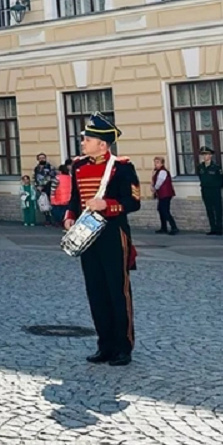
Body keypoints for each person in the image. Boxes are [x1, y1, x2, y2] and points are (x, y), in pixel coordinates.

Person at [64, 114, 141, 367]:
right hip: (87, 235)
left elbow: (133, 202)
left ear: (103, 144)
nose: (83, 142)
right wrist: (69, 217)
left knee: (117, 291)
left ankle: (123, 346)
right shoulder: (78, 166)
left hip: (112, 233)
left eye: (87, 139)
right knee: (95, 290)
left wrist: (106, 204)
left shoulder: (122, 167)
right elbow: (75, 198)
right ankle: (104, 344)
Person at [197, 147, 223, 235]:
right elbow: (200, 177)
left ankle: (219, 229)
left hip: (215, 190)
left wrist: (216, 186)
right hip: (205, 190)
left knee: (218, 210)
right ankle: (213, 228)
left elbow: (221, 179)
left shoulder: (216, 167)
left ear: (210, 155)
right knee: (209, 210)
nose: (204, 156)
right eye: (203, 154)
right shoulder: (200, 166)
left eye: (206, 154)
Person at [151, 157, 178, 235]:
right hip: (162, 194)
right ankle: (164, 227)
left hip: (166, 194)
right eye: (155, 162)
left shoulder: (163, 171)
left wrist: (155, 188)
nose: (156, 164)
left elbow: (159, 182)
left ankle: (174, 227)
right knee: (160, 210)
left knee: (165, 211)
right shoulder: (157, 171)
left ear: (162, 163)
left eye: (157, 162)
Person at [33, 154, 57, 226]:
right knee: (43, 204)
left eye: (43, 158)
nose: (42, 159)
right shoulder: (36, 168)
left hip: (49, 188)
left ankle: (54, 220)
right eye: (40, 158)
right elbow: (35, 177)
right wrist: (37, 186)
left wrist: (43, 185)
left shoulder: (50, 167)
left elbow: (52, 176)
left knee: (51, 204)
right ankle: (47, 220)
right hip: (40, 189)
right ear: (38, 159)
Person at [51, 163, 72, 228]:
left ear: (60, 171)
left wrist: (52, 197)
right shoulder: (70, 178)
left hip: (58, 198)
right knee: (66, 212)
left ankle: (59, 223)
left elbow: (53, 189)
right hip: (68, 198)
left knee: (57, 212)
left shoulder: (57, 178)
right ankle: (65, 223)